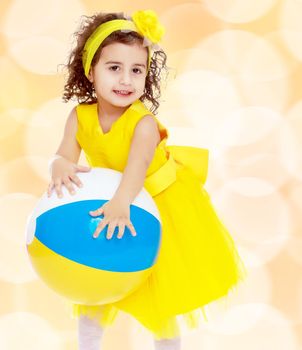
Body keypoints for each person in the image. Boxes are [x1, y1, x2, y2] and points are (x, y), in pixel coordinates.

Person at [47, 9, 248, 350]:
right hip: (116, 201)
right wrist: (58, 165)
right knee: (95, 290)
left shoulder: (143, 124)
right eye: (114, 68)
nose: (126, 80)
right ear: (90, 70)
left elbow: (137, 170)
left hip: (160, 202)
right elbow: (64, 153)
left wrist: (121, 203)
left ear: (146, 76)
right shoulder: (79, 116)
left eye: (136, 70)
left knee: (161, 300)